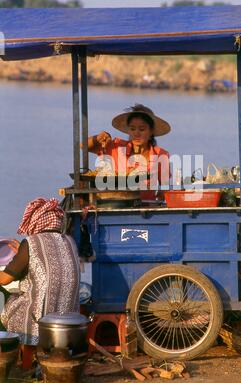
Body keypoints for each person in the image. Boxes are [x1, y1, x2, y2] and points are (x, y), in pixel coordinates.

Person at [0, 198, 80, 344]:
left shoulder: (31, 242)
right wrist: (23, 252)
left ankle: (18, 348)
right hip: (68, 317)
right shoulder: (69, 241)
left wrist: (24, 251)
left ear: (35, 220)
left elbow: (4, 279)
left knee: (7, 301)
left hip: (39, 319)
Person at [87, 104, 171, 200]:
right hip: (114, 204)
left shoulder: (161, 155)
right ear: (128, 131)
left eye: (142, 129)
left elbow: (164, 189)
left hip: (145, 208)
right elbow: (84, 146)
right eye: (132, 129)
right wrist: (98, 138)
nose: (136, 133)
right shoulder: (116, 147)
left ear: (151, 131)